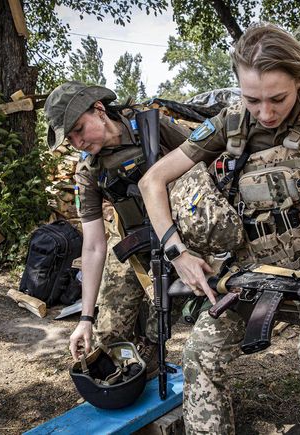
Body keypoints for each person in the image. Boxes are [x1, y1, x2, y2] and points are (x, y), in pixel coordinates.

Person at [140, 20, 300, 434]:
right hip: (254, 276)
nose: (265, 112)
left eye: (277, 98)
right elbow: (152, 180)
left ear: (299, 80)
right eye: (252, 100)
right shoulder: (230, 124)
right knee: (199, 353)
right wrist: (179, 255)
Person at [44, 82, 191, 370]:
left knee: (156, 325)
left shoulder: (152, 125)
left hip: (178, 235)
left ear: (99, 110)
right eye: (70, 139)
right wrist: (85, 318)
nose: (77, 143)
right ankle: (121, 372)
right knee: (108, 333)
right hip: (131, 243)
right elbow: (94, 244)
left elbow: (204, 156)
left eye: (79, 129)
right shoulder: (88, 170)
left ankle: (149, 356)